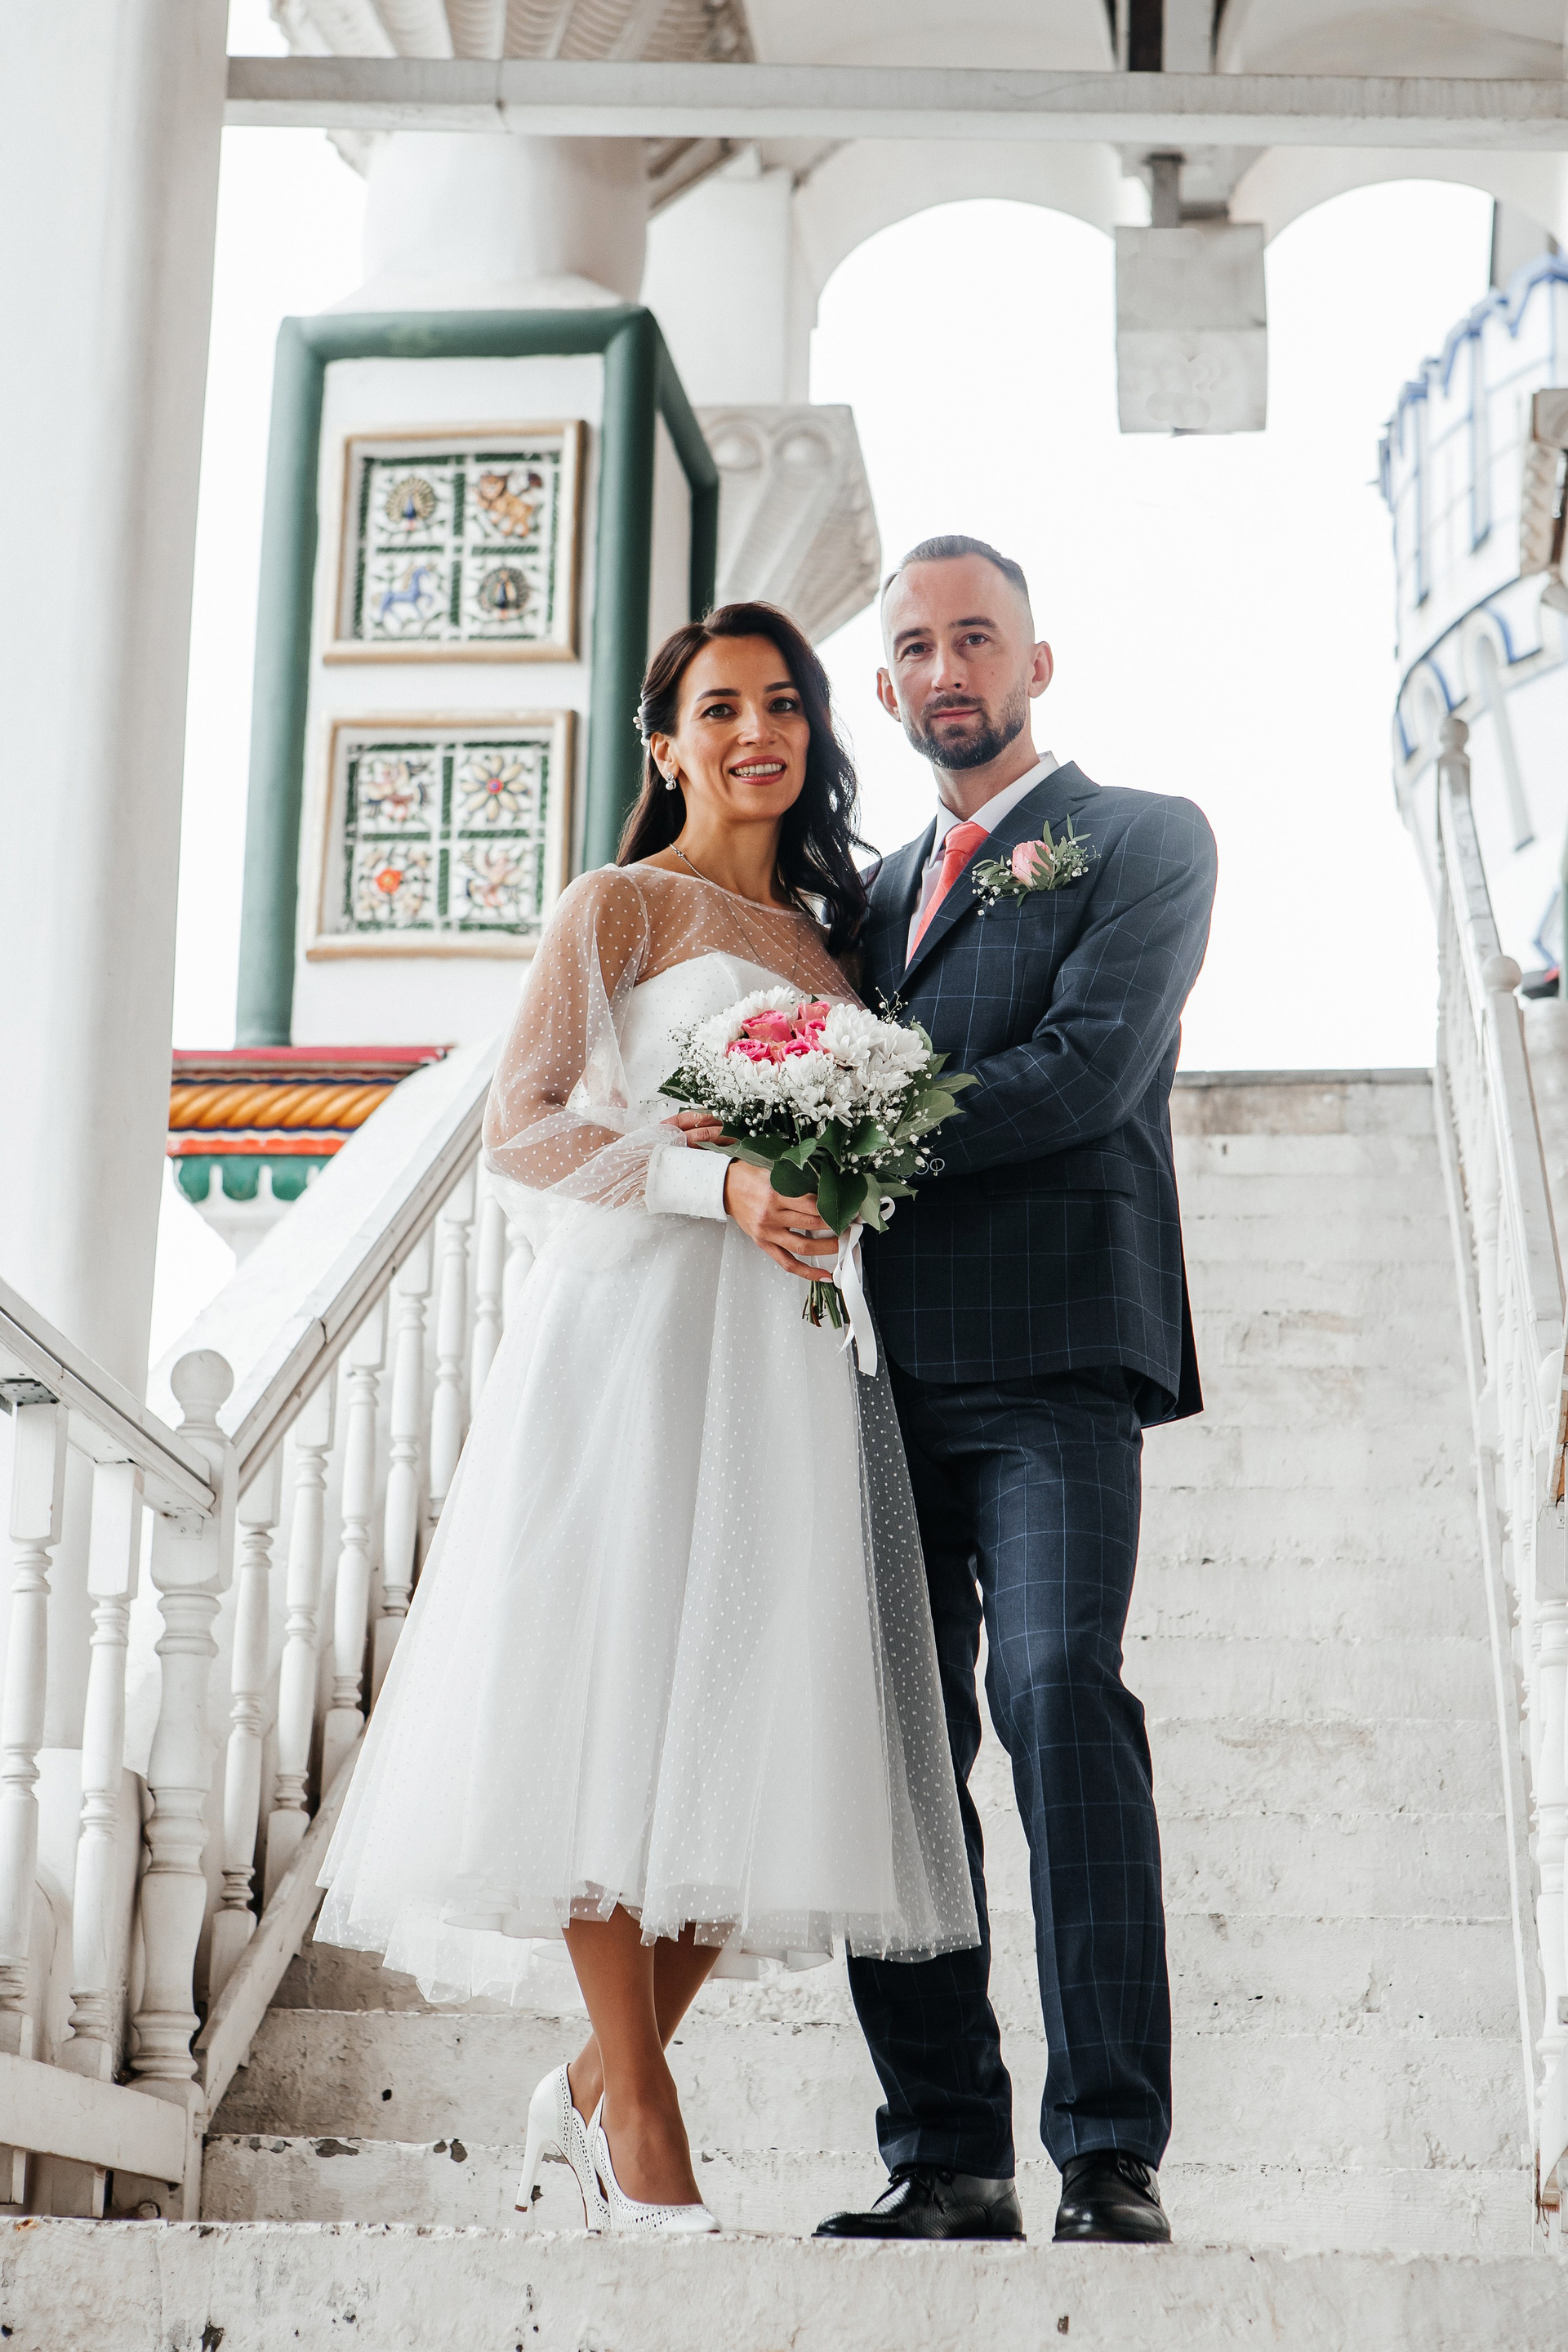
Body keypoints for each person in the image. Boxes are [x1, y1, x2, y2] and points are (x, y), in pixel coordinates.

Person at [316, 601, 978, 2238]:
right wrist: (718, 1183)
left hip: (787, 1363)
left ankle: (595, 2085)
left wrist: (828, 1193)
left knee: (753, 1721)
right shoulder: (615, 907)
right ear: (667, 744)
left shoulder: (836, 953)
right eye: (723, 707)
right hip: (635, 1340)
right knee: (611, 1704)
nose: (760, 731)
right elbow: (523, 1126)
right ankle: (647, 2122)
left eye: (785, 704)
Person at [813, 536, 1217, 2248]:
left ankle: (1110, 2150)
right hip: (866, 1376)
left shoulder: (1145, 839)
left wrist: (845, 1134)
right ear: (887, 687)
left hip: (1054, 1356)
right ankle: (947, 2155)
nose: (948, 669)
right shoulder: (860, 901)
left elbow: (1084, 1071)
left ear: (1036, 663)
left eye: (977, 637)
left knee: (1057, 1692)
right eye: (916, 647)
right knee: (895, 1757)